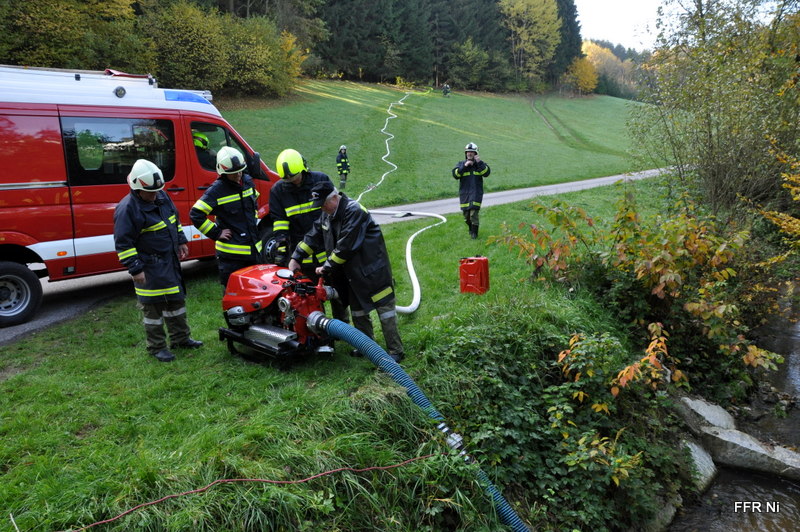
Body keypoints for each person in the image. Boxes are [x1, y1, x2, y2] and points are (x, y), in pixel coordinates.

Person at [287, 181, 405, 363]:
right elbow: (313, 235)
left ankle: (395, 350)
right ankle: (367, 347)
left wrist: (326, 266)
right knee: (359, 313)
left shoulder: (354, 211)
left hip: (373, 271)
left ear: (334, 197)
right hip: (353, 275)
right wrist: (297, 257)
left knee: (385, 310)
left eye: (324, 204)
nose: (322, 209)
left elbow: (346, 247)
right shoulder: (327, 214)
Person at [113, 159, 203, 362]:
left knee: (176, 303)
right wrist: (135, 268)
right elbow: (123, 243)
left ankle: (181, 338)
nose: (155, 195)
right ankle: (156, 347)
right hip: (149, 266)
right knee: (152, 308)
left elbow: (174, 220)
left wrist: (180, 241)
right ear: (137, 188)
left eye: (157, 191)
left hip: (169, 262)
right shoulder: (127, 209)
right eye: (150, 193)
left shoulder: (160, 196)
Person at [190, 146, 264, 288]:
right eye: (233, 173)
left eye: (239, 172)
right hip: (232, 258)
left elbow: (254, 200)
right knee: (235, 299)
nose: (238, 176)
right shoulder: (216, 191)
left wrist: (253, 219)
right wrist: (216, 233)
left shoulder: (247, 181)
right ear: (222, 173)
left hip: (254, 253)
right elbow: (196, 214)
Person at [452, 142, 490, 239]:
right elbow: (455, 175)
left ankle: (474, 235)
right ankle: (471, 228)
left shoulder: (480, 165)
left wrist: (479, 162)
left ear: (475, 154)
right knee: (466, 216)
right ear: (465, 153)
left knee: (473, 214)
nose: (469, 154)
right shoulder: (461, 164)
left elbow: (486, 173)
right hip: (464, 194)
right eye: (468, 152)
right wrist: (464, 166)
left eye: (472, 152)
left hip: (476, 193)